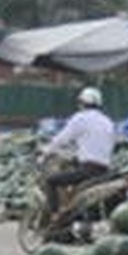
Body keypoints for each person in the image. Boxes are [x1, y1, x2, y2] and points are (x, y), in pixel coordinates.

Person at [41, 86, 115, 218]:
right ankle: (69, 205)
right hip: (105, 169)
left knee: (50, 181)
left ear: (82, 103)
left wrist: (46, 151)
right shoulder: (107, 121)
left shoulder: (80, 118)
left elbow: (62, 138)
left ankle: (55, 215)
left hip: (88, 169)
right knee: (73, 168)